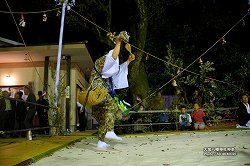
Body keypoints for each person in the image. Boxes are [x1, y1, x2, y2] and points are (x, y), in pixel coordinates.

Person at [90, 33, 135, 148]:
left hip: (100, 94)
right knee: (112, 105)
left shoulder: (107, 73)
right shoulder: (101, 61)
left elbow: (117, 70)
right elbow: (113, 58)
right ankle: (110, 131)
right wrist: (118, 43)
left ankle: (100, 141)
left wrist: (129, 61)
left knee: (106, 117)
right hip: (97, 91)